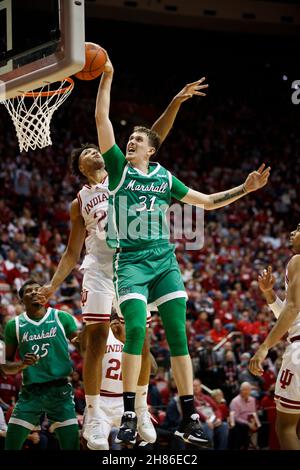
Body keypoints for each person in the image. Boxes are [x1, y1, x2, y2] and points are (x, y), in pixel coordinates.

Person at [96, 52, 270, 447]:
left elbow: (207, 202)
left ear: (151, 151)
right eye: (131, 138)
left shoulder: (164, 178)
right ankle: (128, 411)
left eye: (138, 139)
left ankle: (190, 414)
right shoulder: (120, 169)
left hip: (163, 259)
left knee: (178, 336)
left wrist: (246, 189)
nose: (131, 140)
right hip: (132, 264)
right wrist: (107, 78)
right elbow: (102, 122)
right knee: (136, 329)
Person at [37, 71, 208, 450]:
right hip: (101, 268)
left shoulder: (128, 169)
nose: (94, 152)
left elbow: (154, 138)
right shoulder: (79, 200)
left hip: (135, 264)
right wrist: (52, 284)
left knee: (139, 338)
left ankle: (140, 408)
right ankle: (95, 414)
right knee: (96, 339)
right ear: (81, 168)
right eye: (86, 154)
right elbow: (71, 252)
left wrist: (175, 102)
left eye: (95, 149)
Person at [3, 279, 80, 450]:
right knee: (11, 443)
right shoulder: (13, 325)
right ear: (21, 300)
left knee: (71, 443)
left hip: (60, 391)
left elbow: (82, 348)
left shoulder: (62, 317)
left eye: (37, 289)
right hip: (31, 392)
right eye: (28, 291)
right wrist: (22, 364)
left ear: (44, 294)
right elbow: (5, 365)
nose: (34, 292)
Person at [249, 223, 300, 450]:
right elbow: (292, 316)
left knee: (286, 427)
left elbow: (292, 310)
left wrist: (264, 347)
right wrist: (270, 295)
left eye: (298, 228)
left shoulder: (297, 261)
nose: (292, 232)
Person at [83, 310, 157, 449]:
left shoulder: (132, 338)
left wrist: (123, 340)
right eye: (114, 318)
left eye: (120, 319)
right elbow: (86, 357)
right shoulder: (100, 335)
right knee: (94, 445)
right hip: (101, 400)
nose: (117, 322)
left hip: (128, 401)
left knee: (146, 441)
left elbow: (153, 369)